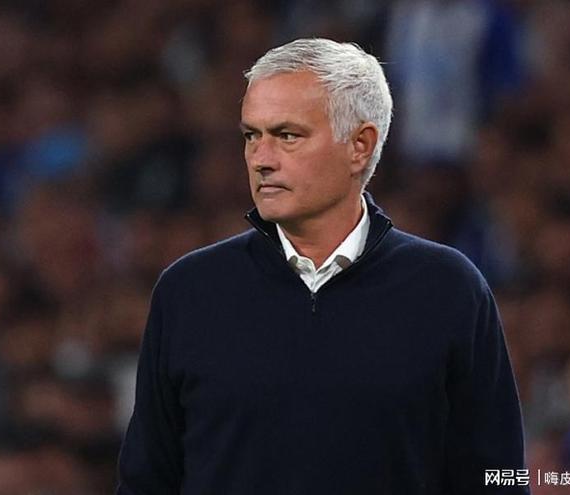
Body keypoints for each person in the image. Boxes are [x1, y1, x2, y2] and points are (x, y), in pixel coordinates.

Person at [117, 38, 528, 495]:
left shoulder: (447, 289)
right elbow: (145, 481)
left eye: (287, 136)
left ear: (360, 146)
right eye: (252, 136)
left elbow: (499, 478)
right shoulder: (190, 291)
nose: (261, 159)